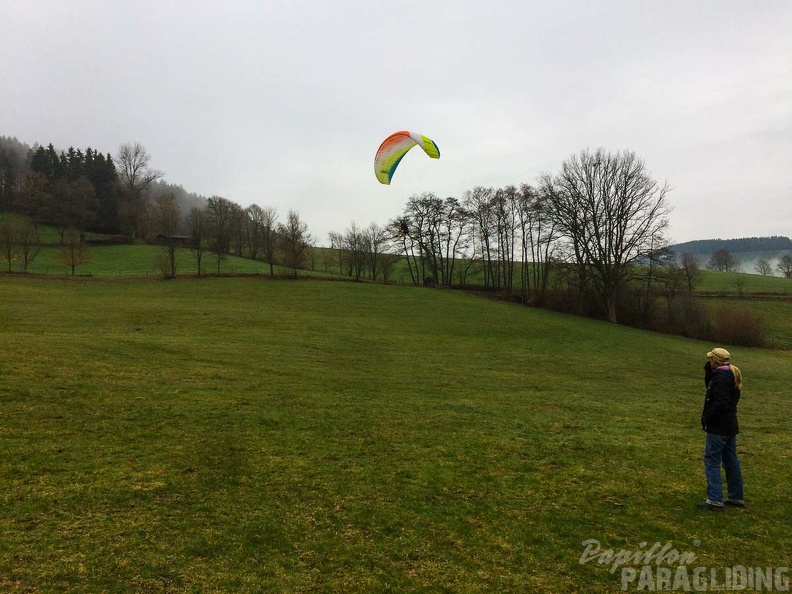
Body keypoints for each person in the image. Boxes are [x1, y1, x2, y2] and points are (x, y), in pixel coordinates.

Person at [698, 347, 744, 511]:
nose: (709, 361)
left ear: (715, 362)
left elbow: (719, 402)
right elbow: (711, 388)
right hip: (730, 425)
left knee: (712, 461)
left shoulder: (722, 378)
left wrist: (706, 417)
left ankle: (715, 499)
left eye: (711, 359)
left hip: (719, 427)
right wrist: (708, 371)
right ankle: (736, 496)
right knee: (731, 460)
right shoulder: (729, 375)